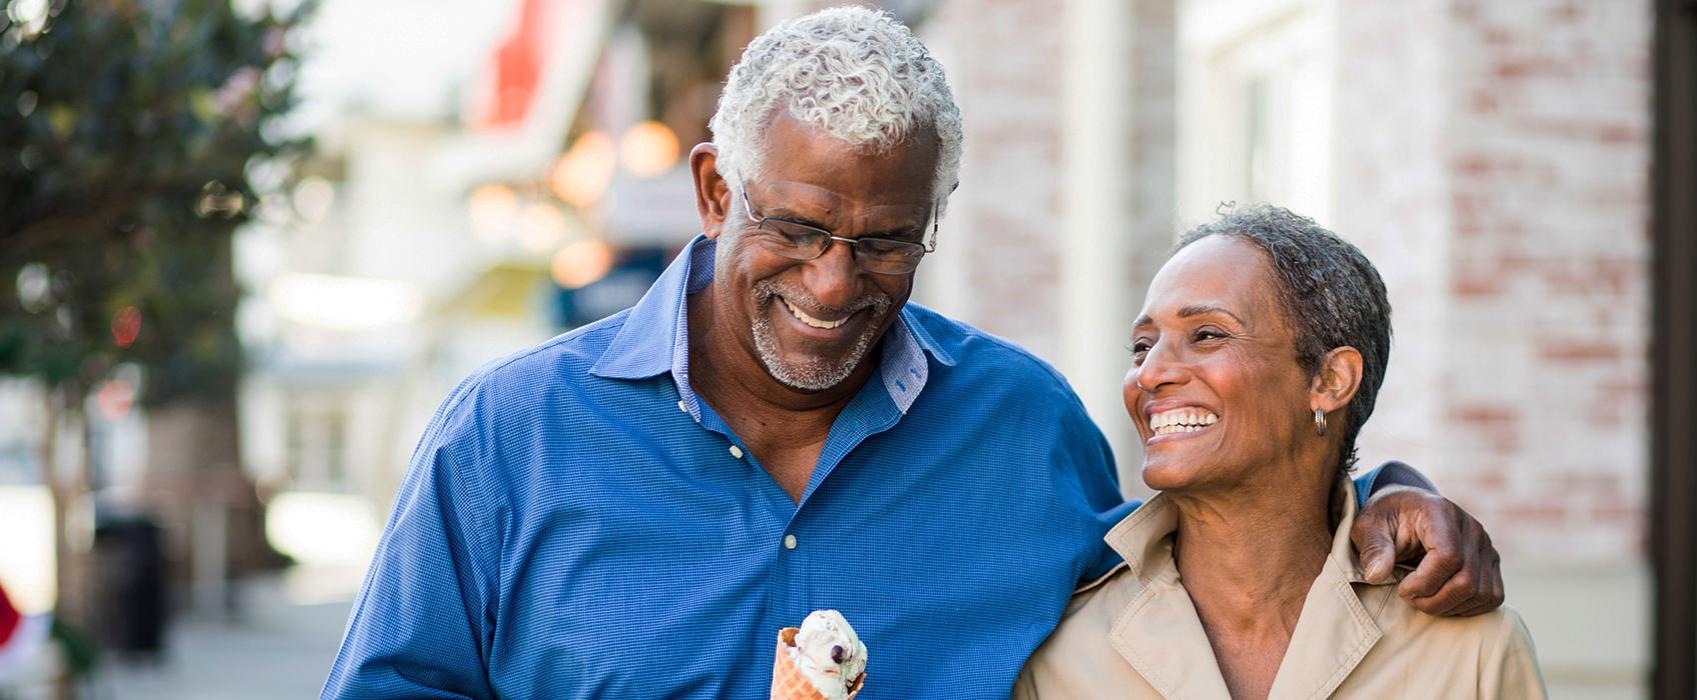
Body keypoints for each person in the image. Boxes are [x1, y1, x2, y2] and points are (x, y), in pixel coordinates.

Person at [323, 8, 1504, 698]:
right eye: (794, 228)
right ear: (713, 190)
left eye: (886, 241)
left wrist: (1385, 493)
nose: (835, 284)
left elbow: (1212, 559)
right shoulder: (506, 439)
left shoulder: (1022, 428)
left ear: (932, 224)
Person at [1014, 205, 1545, 699]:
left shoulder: (1473, 653)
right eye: (1142, 346)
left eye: (1205, 334)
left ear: (1330, 380)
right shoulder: (1061, 656)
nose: (1150, 373)